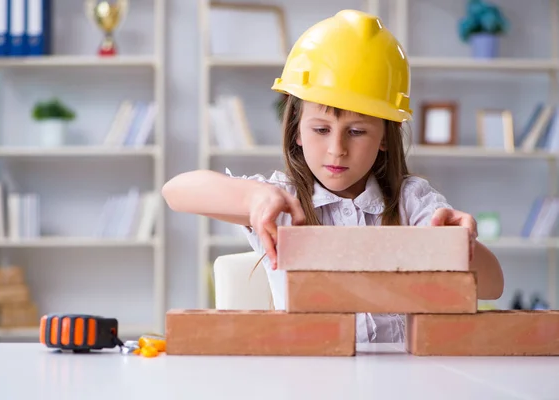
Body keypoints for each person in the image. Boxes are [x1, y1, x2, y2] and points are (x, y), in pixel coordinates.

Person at [162, 10, 504, 343]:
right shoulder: (281, 199)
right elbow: (176, 191)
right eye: (321, 129)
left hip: (397, 378)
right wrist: (254, 197)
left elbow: (493, 286)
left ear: (385, 137)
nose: (336, 149)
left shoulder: (410, 202)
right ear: (296, 130)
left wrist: (458, 243)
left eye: (356, 132)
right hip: (307, 376)